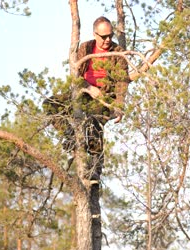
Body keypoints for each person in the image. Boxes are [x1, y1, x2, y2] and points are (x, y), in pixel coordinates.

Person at [43, 16, 130, 154]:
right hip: (83, 94)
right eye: (104, 36)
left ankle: (95, 167)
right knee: (50, 103)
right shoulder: (86, 47)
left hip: (104, 98)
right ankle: (72, 137)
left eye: (110, 35)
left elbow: (122, 81)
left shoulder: (118, 52)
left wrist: (119, 107)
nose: (108, 39)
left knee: (93, 124)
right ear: (95, 34)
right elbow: (75, 75)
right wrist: (89, 88)